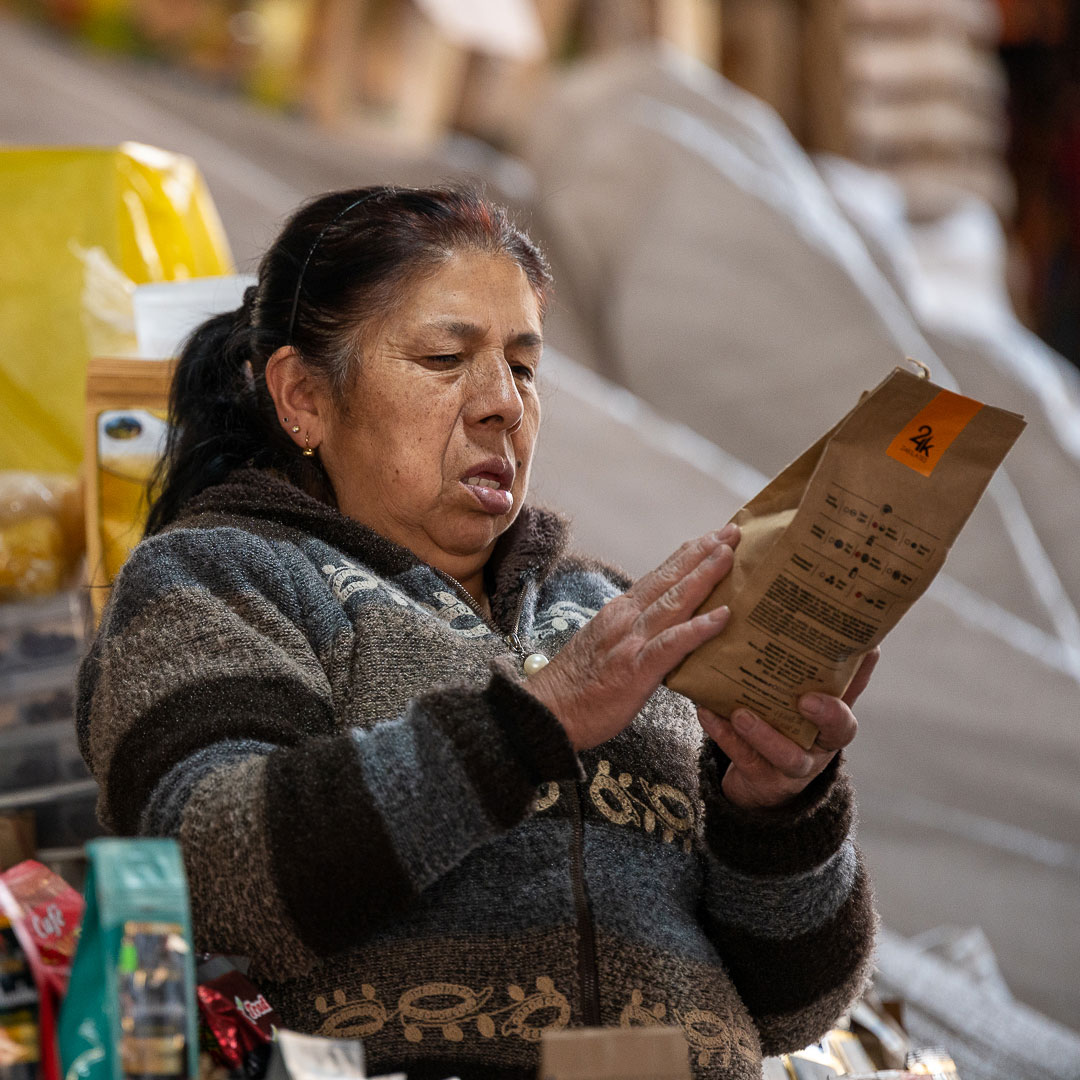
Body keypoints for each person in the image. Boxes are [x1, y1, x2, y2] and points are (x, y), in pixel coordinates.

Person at [77, 185, 877, 1080]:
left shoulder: (601, 610)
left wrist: (777, 813)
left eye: (525, 368)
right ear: (303, 396)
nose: (503, 404)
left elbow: (790, 1007)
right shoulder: (224, 576)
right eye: (446, 357)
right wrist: (531, 723)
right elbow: (207, 876)